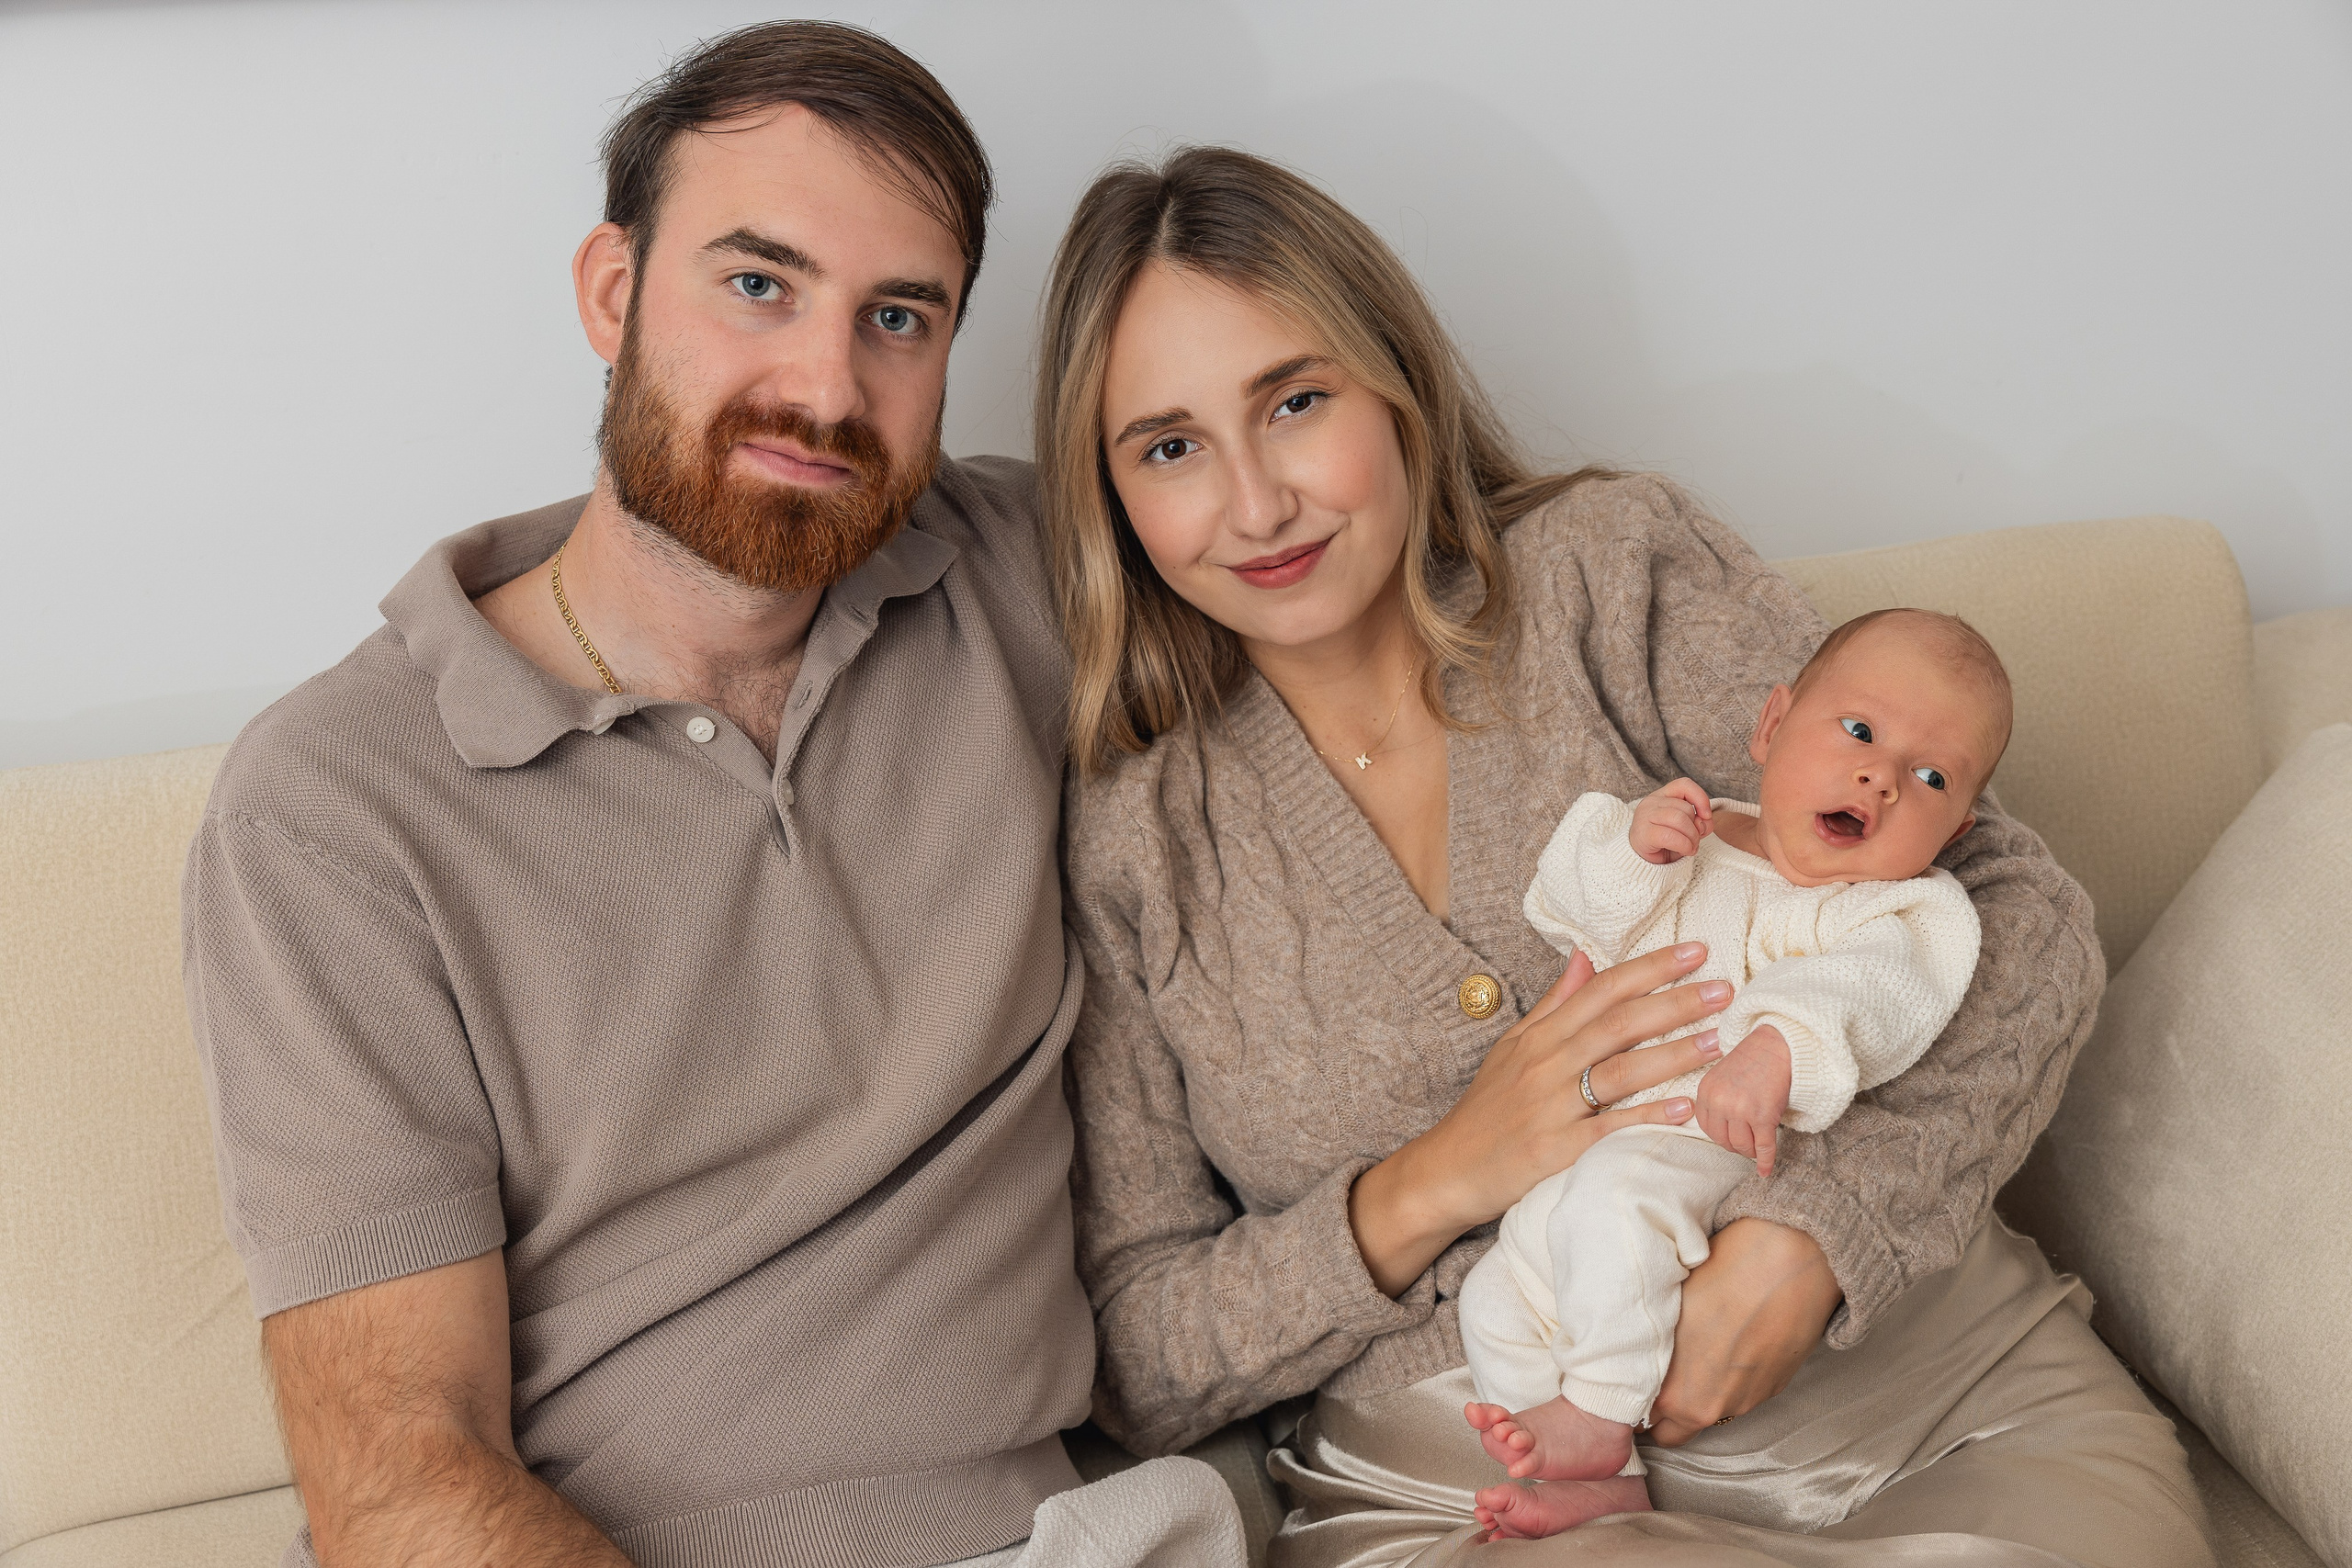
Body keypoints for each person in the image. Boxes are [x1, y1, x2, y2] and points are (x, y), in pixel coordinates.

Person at [1044, 146, 2215, 1566]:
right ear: (1111, 494)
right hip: (1473, 1492)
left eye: (1295, 403)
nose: (1255, 502)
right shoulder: (1134, 831)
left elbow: (2021, 920)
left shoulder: (1610, 576)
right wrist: (1434, 1178)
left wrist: (1815, 1235)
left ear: (1396, 387)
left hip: (1930, 1404)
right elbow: (1141, 1348)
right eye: (1170, 446)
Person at [183, 24, 1241, 1568]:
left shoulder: (1024, 576)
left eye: (899, 316)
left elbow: (1399, 585)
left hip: (1058, 1528)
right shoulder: (337, 809)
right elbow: (401, 1472)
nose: (826, 385)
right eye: (759, 285)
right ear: (611, 293)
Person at [1459, 610, 2007, 1537]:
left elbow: (1874, 990)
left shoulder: (1893, 910)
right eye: (1861, 733)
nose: (1880, 776)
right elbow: (1572, 917)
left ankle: (1595, 1413)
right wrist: (1630, 856)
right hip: (1606, 1147)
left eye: (1930, 778)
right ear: (1769, 728)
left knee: (1616, 1193)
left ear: (1952, 833)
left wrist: (1777, 1044)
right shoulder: (1693, 841)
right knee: (1494, 1294)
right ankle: (1603, 1479)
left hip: (1728, 1151)